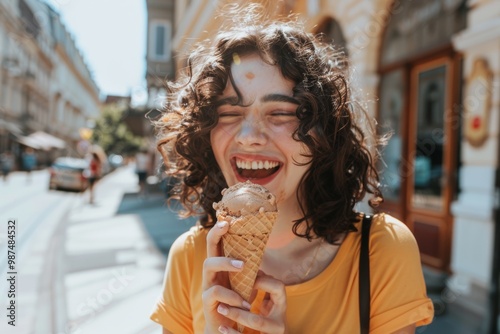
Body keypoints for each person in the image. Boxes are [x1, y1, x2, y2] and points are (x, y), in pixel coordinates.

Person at [150, 5, 434, 334]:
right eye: (228, 114)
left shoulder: (382, 250)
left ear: (322, 130)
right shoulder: (189, 257)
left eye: (282, 112)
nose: (250, 138)